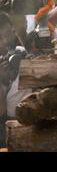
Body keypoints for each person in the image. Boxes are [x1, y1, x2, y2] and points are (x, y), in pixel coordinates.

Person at [0, 12, 32, 146]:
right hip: (6, 129)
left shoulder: (22, 53)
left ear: (13, 30)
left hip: (31, 122)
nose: (5, 41)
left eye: (7, 34)